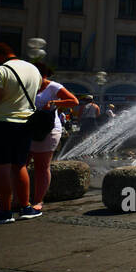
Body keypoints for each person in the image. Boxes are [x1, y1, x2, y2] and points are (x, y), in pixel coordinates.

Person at [0, 43, 42, 223]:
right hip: (25, 123)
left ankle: (5, 212)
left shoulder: (0, 71)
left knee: (2, 167)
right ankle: (26, 207)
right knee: (19, 165)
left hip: (1, 123)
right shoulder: (33, 70)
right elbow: (35, 92)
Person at [26, 62, 80, 216]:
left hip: (47, 129)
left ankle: (38, 200)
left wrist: (54, 102)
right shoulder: (27, 85)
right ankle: (21, 199)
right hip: (26, 127)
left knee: (41, 166)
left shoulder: (53, 87)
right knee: (20, 164)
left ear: (42, 75)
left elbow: (73, 101)